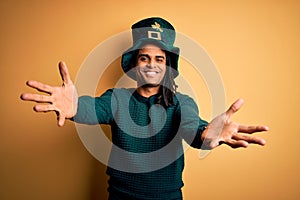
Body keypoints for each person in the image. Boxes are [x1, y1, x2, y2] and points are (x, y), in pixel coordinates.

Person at [21, 17, 268, 200]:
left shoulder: (182, 103)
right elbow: (93, 108)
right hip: (120, 197)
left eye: (160, 59)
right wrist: (75, 106)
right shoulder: (117, 99)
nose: (152, 65)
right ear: (135, 65)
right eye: (144, 58)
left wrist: (208, 135)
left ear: (168, 66)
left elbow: (195, 129)